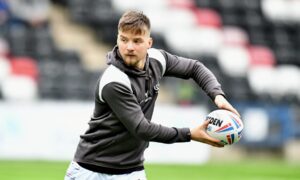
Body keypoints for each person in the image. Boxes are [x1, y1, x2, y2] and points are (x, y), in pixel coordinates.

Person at [65, 10, 240, 180]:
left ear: (149, 43)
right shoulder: (114, 80)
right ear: (117, 38)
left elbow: (194, 68)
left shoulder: (157, 60)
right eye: (123, 39)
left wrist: (218, 96)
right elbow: (142, 129)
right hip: (91, 171)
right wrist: (189, 134)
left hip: (131, 170)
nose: (129, 47)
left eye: (137, 41)